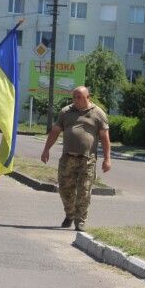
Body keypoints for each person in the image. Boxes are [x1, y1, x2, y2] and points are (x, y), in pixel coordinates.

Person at [40, 86, 111, 231]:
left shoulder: (98, 113)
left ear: (88, 97)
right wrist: (46, 149)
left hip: (87, 159)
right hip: (67, 158)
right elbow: (55, 131)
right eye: (74, 97)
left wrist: (107, 158)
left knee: (84, 191)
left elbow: (104, 136)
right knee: (65, 190)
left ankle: (80, 221)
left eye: (79, 97)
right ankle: (70, 214)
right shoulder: (66, 112)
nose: (76, 100)